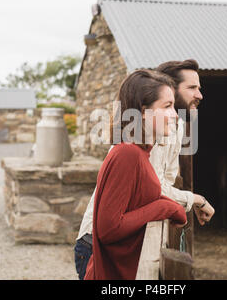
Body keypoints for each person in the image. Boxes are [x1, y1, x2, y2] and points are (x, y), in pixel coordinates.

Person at [74, 60, 215, 279]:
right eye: (191, 87)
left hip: (123, 250)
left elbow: (159, 187)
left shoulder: (146, 146)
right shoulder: (129, 152)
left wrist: (170, 205)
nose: (199, 95)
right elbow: (111, 226)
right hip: (102, 253)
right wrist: (175, 206)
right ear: (144, 110)